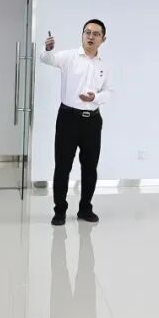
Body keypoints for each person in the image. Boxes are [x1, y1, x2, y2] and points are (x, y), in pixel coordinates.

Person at [40, 20, 114, 226]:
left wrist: (95, 98)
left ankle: (85, 208)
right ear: (82, 35)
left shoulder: (105, 65)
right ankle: (59, 211)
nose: (90, 36)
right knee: (62, 166)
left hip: (92, 121)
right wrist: (48, 49)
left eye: (96, 34)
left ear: (103, 39)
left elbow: (109, 91)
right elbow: (47, 59)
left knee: (90, 167)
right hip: (68, 119)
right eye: (87, 32)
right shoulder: (69, 57)